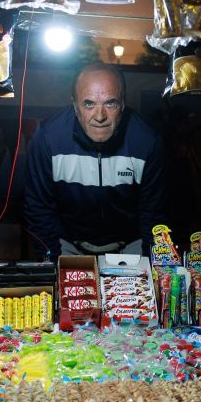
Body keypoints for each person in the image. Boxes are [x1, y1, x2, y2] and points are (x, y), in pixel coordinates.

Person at [24, 63, 167, 259]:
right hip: (67, 245)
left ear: (123, 104)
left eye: (110, 103)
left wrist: (151, 265)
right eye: (89, 104)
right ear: (75, 105)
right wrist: (51, 260)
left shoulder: (147, 141)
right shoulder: (48, 138)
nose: (100, 117)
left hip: (130, 244)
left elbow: (154, 215)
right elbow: (38, 208)